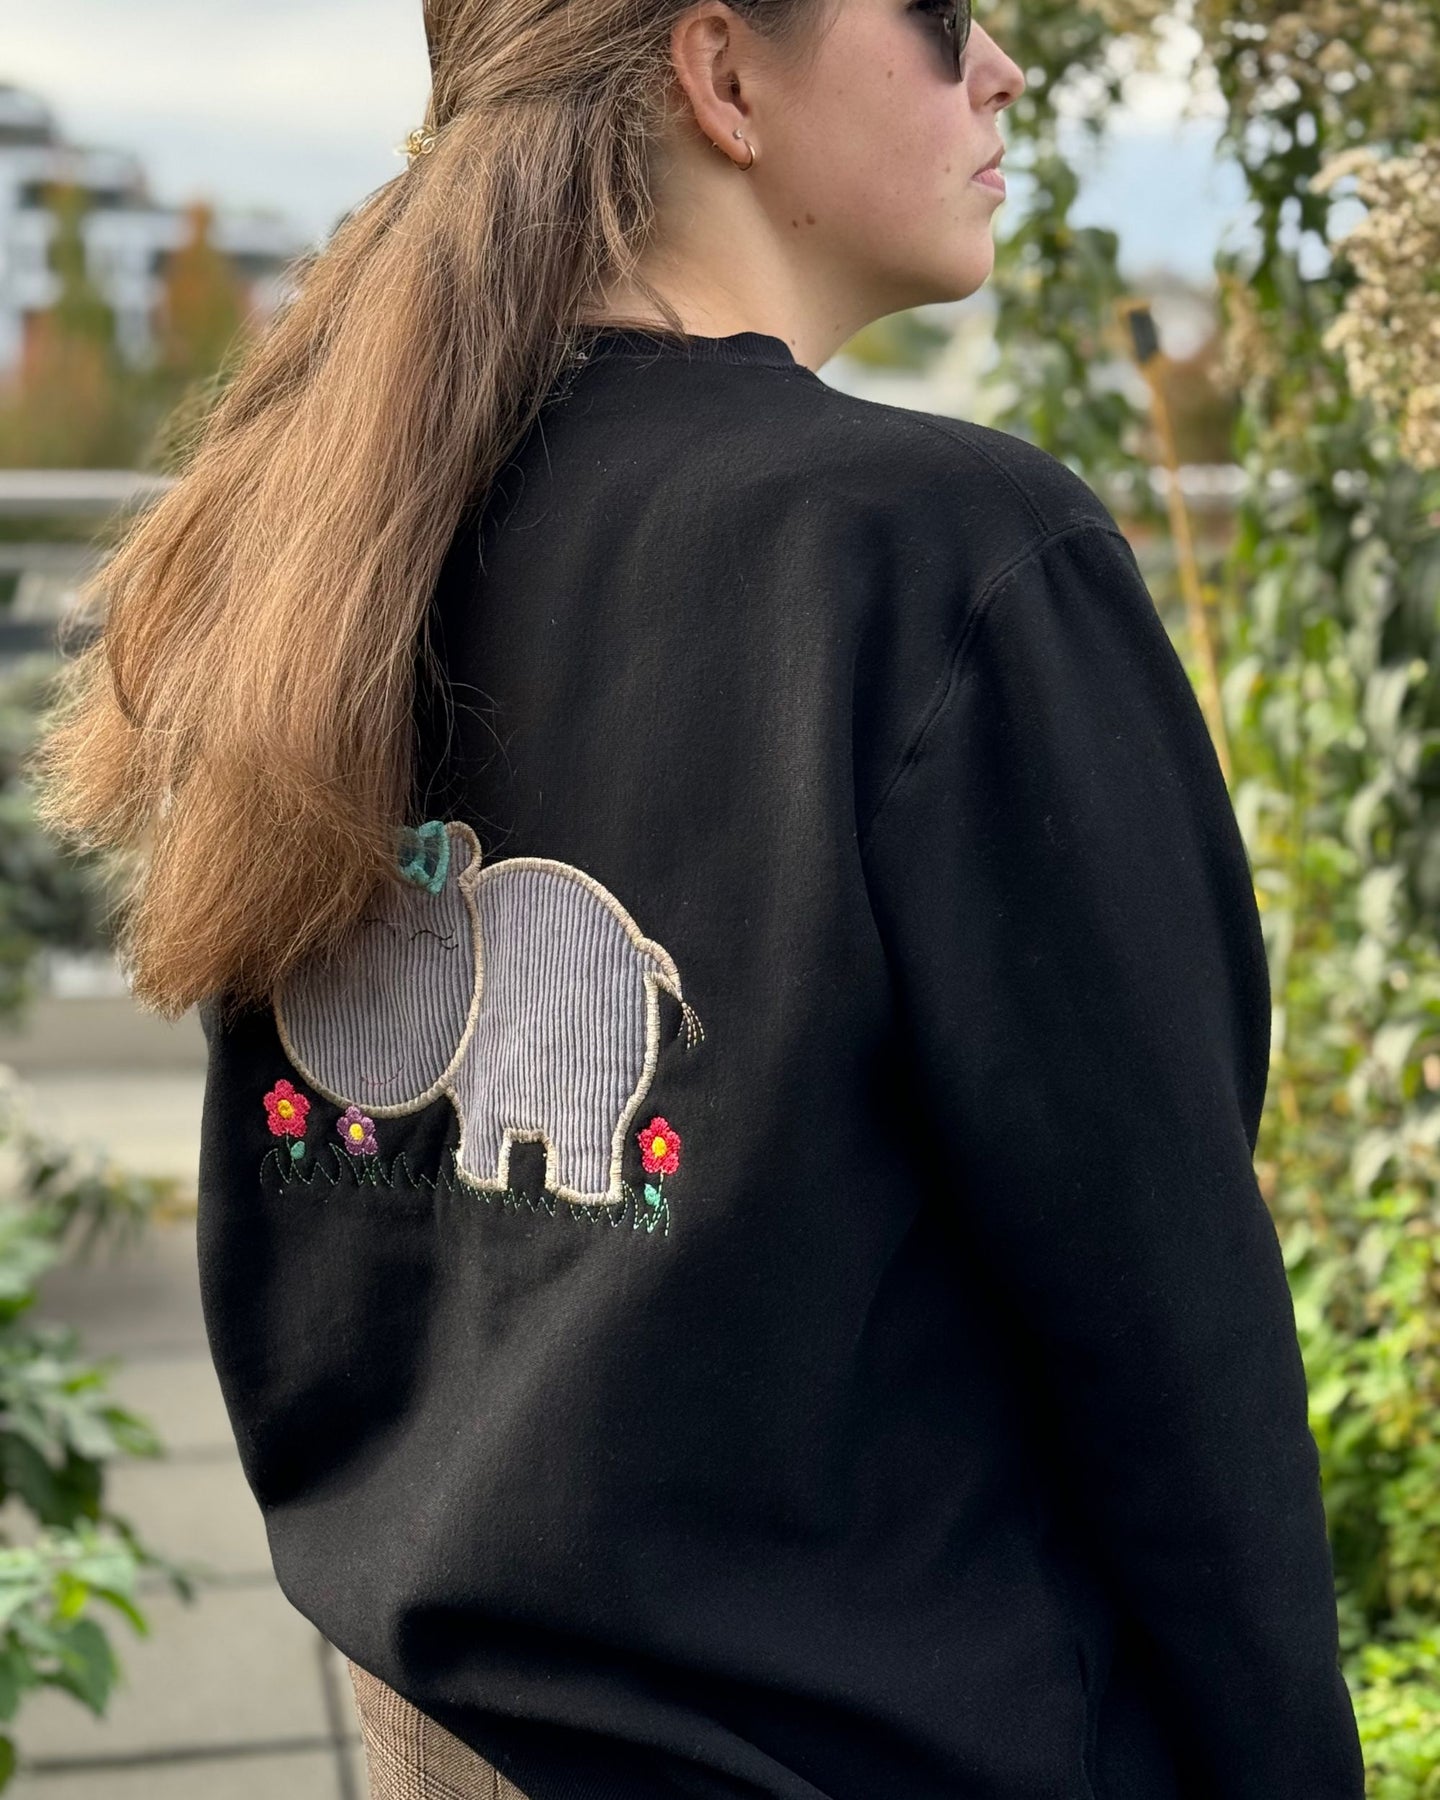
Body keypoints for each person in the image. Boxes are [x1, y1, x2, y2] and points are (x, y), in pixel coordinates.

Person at [25, 0, 1367, 1792]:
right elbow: (1163, 1319)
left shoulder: (336, 522)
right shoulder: (937, 555)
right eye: (937, 17)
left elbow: (315, 1256)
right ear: (724, 75)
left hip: (439, 1725)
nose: (1001, 68)